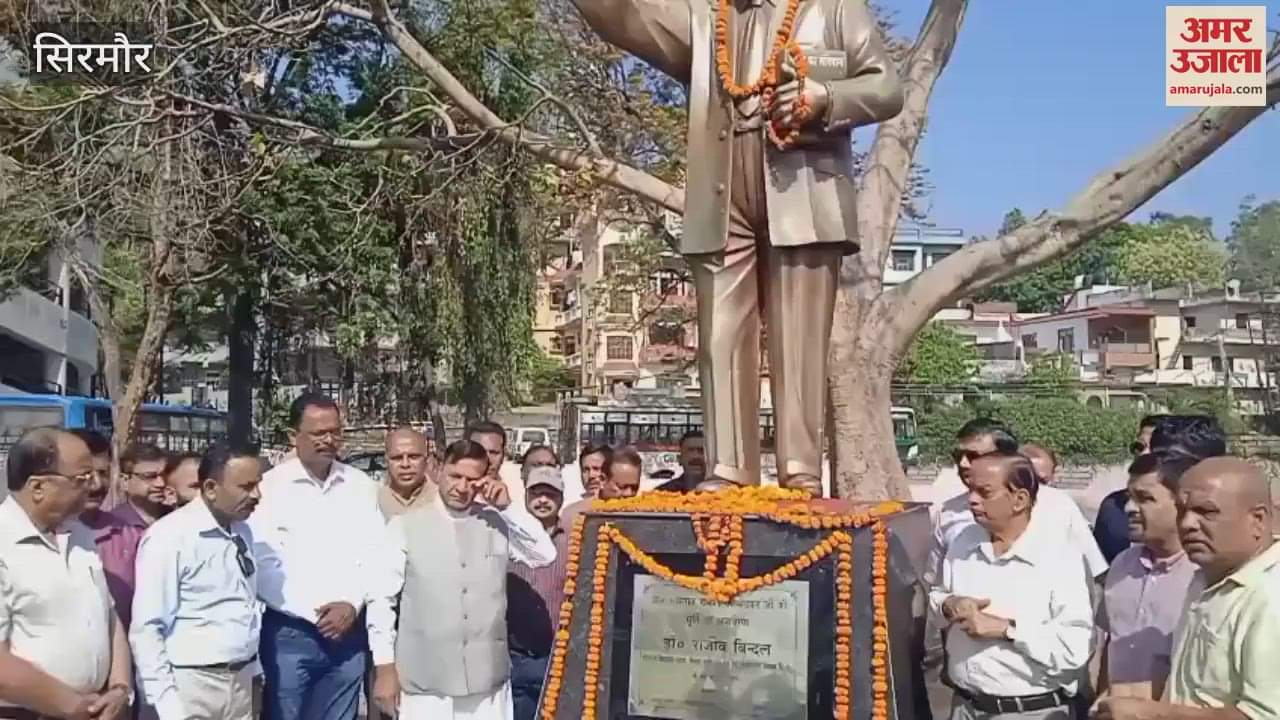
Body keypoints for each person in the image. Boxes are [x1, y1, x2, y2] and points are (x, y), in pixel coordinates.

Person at [569, 0, 902, 497]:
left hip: (803, 187)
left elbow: (886, 86)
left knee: (800, 340)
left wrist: (825, 97)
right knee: (720, 338)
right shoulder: (707, 18)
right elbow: (627, 15)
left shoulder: (834, 8)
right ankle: (728, 469)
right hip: (722, 190)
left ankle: (800, 473)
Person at [367, 439, 557, 720]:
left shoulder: (497, 522)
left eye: (472, 480)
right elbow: (381, 601)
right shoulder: (404, 526)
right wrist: (384, 669)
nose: (462, 487)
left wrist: (508, 508)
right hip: (426, 687)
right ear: (439, 470)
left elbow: (544, 554)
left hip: (488, 687)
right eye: (456, 476)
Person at [1091, 457, 1280, 720]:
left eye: (1207, 512)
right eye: (1182, 510)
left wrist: (1151, 713)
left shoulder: (1270, 596)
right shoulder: (1205, 578)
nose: (1188, 524)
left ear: (1257, 520)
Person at [249, 392, 385, 720]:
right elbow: (262, 563)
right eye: (318, 433)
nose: (329, 440)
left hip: (348, 636)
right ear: (293, 436)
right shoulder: (268, 488)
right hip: (289, 635)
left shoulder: (361, 486)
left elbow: (375, 554)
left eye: (335, 432)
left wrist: (351, 605)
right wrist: (316, 614)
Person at [931, 451, 1093, 720]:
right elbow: (937, 597)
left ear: (1019, 499)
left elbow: (1073, 650)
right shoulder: (962, 542)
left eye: (984, 492)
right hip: (964, 708)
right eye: (970, 490)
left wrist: (1006, 629)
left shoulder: (1060, 555)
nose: (972, 500)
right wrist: (950, 605)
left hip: (1031, 711)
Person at [0, 428, 133, 720]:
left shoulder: (80, 536)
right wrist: (69, 705)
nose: (97, 485)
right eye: (83, 478)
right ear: (38, 488)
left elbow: (108, 618)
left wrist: (120, 687)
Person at [130, 443, 264, 720]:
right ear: (211, 488)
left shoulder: (243, 531)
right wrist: (167, 706)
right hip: (192, 687)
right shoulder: (169, 537)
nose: (257, 495)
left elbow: (246, 605)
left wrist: (256, 672)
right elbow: (147, 628)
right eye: (246, 486)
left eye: (258, 484)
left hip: (241, 682)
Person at [1096, 452, 1198, 702]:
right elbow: (1112, 644)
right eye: (1129, 498)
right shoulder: (1122, 565)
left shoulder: (1204, 575)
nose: (1130, 508)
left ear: (1181, 503)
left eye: (1145, 498)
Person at [1094, 415, 1226, 563]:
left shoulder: (1220, 566)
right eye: (1139, 447)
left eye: (1161, 453)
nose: (1145, 456)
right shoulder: (1113, 514)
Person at [506, 467, 569, 720]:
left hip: (556, 658)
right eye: (536, 493)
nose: (542, 500)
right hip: (515, 657)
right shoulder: (506, 536)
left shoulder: (575, 541)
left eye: (550, 494)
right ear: (525, 496)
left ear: (561, 499)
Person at [559, 446, 643, 531]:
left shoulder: (646, 515)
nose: (629, 493)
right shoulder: (573, 516)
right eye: (622, 487)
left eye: (634, 488)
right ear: (602, 480)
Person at [379, 428, 436, 519]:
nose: (405, 464)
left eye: (413, 457)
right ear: (386, 461)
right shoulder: (373, 501)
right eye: (397, 458)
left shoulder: (442, 501)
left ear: (427, 459)